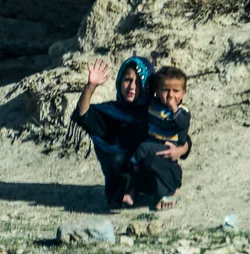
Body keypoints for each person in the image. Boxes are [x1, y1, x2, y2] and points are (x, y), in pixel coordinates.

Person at [71, 57, 190, 210]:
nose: (132, 86)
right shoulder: (112, 112)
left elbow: (182, 136)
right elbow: (83, 115)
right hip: (123, 177)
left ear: (147, 86)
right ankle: (129, 192)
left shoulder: (154, 110)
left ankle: (168, 192)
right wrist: (91, 86)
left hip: (153, 171)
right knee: (116, 161)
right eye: (127, 80)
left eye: (139, 82)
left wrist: (180, 150)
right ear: (120, 81)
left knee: (151, 160)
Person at [131, 66, 190, 210]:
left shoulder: (182, 111)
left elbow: (183, 125)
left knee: (144, 150)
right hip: (153, 143)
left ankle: (170, 193)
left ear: (183, 93)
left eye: (176, 91)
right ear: (157, 91)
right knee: (151, 162)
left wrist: (173, 108)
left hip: (168, 147)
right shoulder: (153, 105)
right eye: (165, 90)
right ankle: (152, 191)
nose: (170, 95)